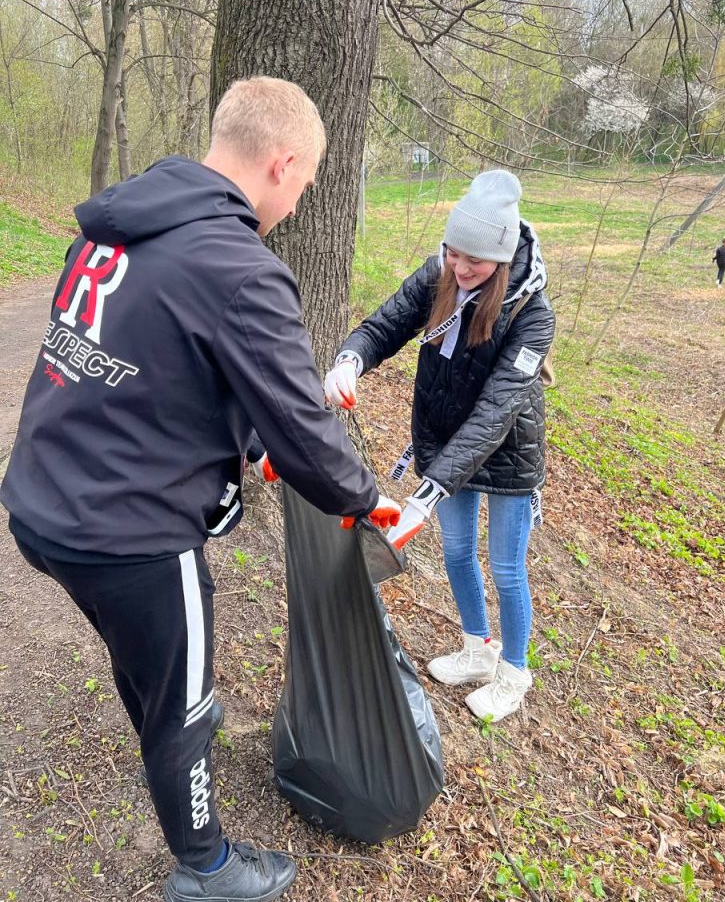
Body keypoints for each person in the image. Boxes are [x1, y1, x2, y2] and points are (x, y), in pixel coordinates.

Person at [0, 76, 402, 902]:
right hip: (130, 534)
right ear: (283, 164)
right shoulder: (239, 267)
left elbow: (157, 363)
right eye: (305, 184)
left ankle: (161, 719)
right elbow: (305, 430)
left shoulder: (119, 227)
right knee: (186, 707)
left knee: (149, 664)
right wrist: (366, 500)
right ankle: (208, 868)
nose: (297, 203)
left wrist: (249, 447)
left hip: (41, 503)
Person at [324, 170, 555, 723]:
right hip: (444, 443)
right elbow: (383, 326)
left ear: (502, 258)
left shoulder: (532, 314)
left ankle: (513, 673)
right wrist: (350, 359)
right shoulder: (438, 276)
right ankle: (477, 649)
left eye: (475, 260)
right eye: (454, 252)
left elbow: (496, 412)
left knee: (506, 567)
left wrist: (427, 493)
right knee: (455, 552)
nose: (460, 268)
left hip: (507, 453)